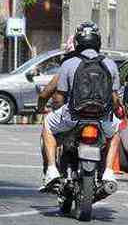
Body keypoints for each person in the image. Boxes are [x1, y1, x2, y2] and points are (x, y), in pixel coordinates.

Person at [40, 21, 122, 190]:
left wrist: (55, 110)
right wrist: (114, 111)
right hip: (101, 118)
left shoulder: (69, 64)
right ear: (98, 41)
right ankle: (108, 171)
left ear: (77, 42)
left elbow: (59, 98)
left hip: (73, 117)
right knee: (116, 134)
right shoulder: (110, 64)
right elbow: (115, 99)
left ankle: (52, 170)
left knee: (47, 124)